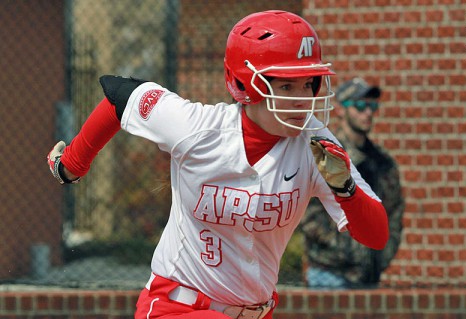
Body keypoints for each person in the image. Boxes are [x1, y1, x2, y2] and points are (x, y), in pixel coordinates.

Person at [47, 11, 389, 319]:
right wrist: (72, 164)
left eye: (308, 84)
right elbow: (120, 97)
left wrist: (345, 190)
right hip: (178, 308)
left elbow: (376, 236)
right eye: (286, 85)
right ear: (244, 84)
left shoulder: (315, 141)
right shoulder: (197, 128)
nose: (301, 100)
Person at [301, 77, 405, 289]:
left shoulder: (383, 163)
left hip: (368, 276)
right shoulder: (324, 154)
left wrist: (379, 255)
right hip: (328, 274)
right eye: (359, 105)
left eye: (372, 106)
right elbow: (308, 217)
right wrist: (348, 250)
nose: (367, 112)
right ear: (340, 109)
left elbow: (394, 213)